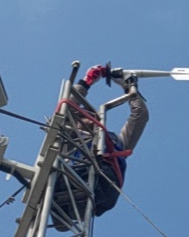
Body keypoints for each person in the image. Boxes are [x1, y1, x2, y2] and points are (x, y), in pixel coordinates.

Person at [53, 64, 147, 227]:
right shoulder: (69, 135)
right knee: (60, 179)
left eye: (95, 116)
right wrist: (86, 81)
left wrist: (130, 88)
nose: (93, 118)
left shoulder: (114, 141)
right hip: (76, 175)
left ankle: (72, 209)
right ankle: (63, 211)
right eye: (86, 116)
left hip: (106, 183)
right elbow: (67, 106)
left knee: (89, 185)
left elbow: (140, 116)